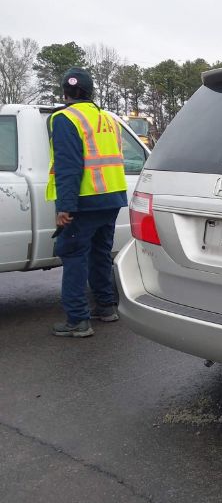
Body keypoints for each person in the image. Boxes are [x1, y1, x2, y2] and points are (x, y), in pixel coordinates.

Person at [48, 67, 128, 337]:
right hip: (112, 196)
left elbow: (68, 166)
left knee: (73, 256)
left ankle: (77, 320)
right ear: (90, 91)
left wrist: (65, 207)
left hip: (84, 201)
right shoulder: (108, 118)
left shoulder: (64, 118)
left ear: (65, 92)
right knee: (100, 253)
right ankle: (106, 307)